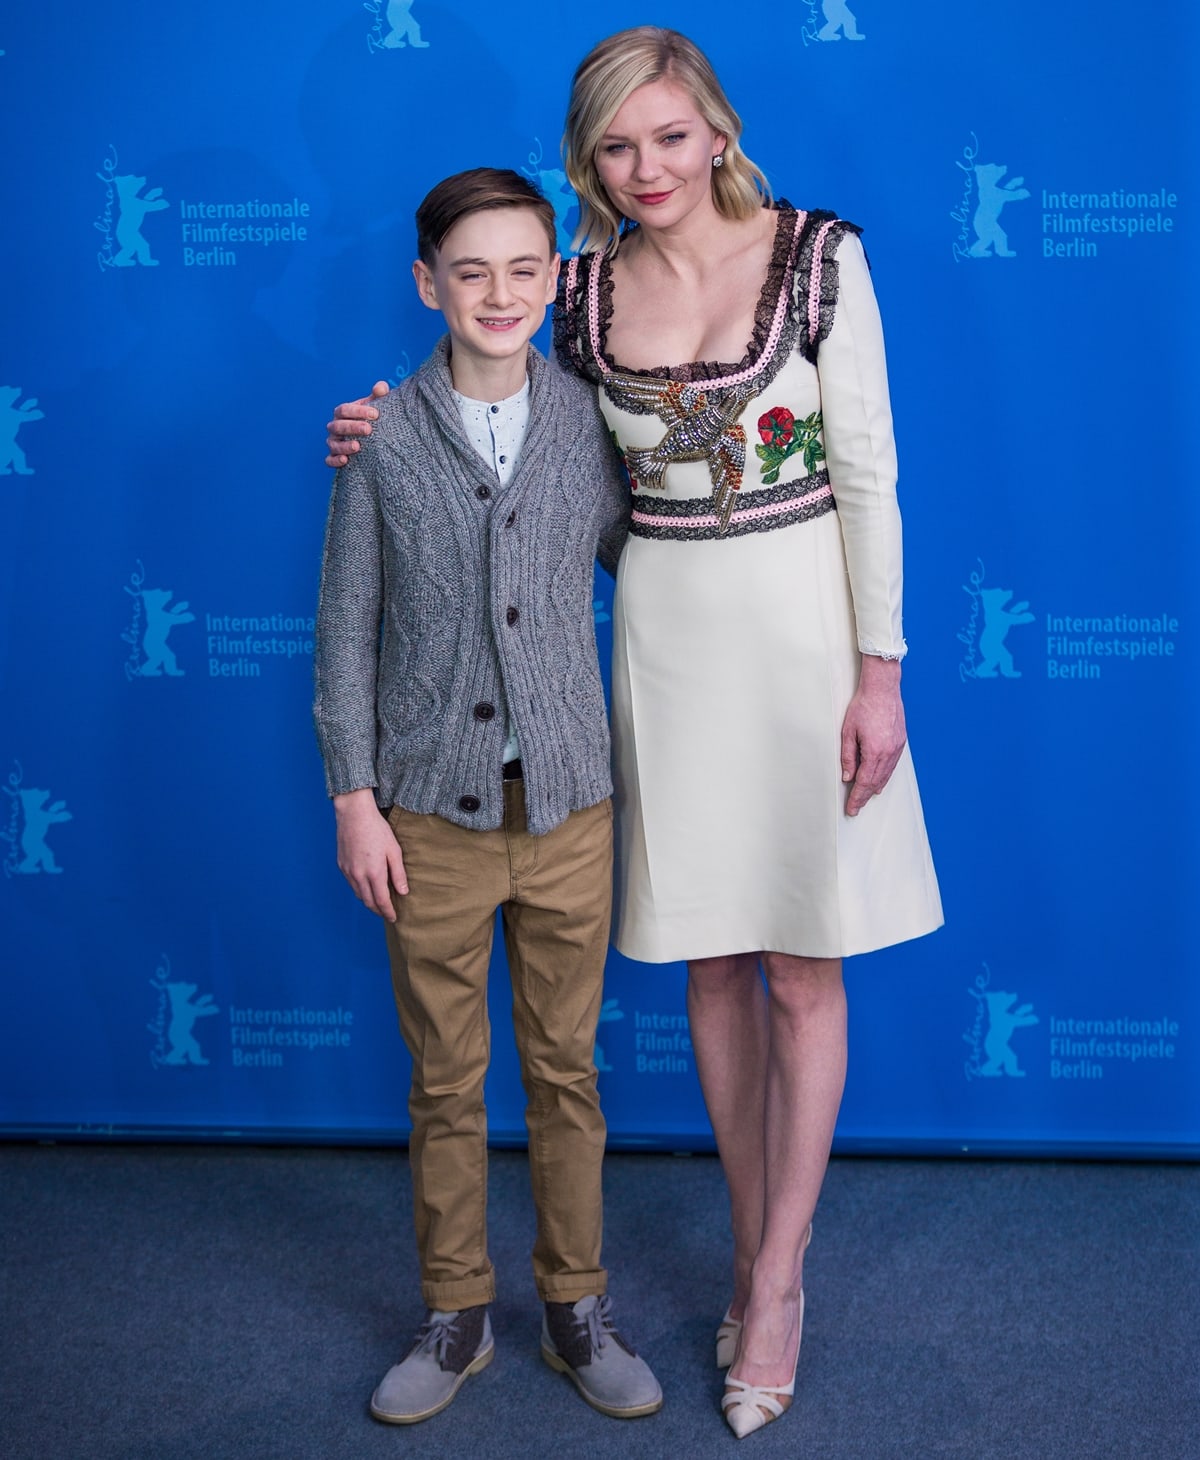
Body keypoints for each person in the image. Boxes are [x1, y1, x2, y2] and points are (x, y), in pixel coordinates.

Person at [326, 28, 943, 1440]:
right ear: (585, 164)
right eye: (614, 146)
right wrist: (382, 427)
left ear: (718, 127)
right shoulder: (578, 290)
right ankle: (742, 1248)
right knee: (715, 971)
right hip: (662, 645)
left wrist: (880, 673)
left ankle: (776, 1284)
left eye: (668, 135)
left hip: (803, 635)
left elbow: (870, 475)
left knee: (803, 969)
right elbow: (505, 432)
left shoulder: (821, 258)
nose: (645, 166)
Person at [313, 167, 661, 1426]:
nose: (500, 293)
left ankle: (575, 1303)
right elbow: (345, 631)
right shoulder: (382, 434)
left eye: (526, 269)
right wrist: (356, 796)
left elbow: (665, 555)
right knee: (444, 1079)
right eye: (471, 272)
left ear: (559, 278)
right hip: (430, 822)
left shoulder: (593, 421)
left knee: (567, 1073)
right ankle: (455, 1311)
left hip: (570, 811)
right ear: (428, 284)